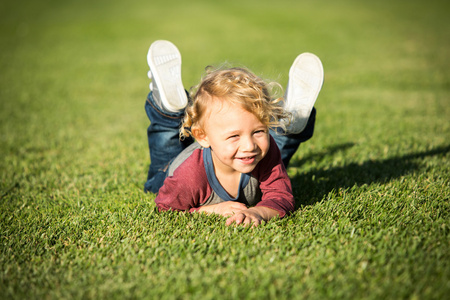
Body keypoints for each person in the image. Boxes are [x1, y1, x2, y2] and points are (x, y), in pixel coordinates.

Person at [144, 40, 323, 226]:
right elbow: (165, 208)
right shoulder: (188, 177)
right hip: (175, 169)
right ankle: (167, 112)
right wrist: (208, 210)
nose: (249, 145)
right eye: (234, 136)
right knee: (157, 177)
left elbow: (282, 198)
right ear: (203, 137)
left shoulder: (263, 152)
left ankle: (289, 123)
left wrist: (259, 212)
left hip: (223, 151)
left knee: (269, 147)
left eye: (259, 131)